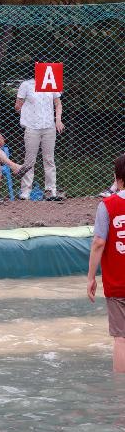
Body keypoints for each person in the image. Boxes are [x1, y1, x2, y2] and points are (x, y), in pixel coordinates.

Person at [86, 153, 125, 372]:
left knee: (121, 338)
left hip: (118, 285)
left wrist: (91, 277)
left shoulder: (107, 205)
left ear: (117, 178)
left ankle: (120, 395)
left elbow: (98, 242)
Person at [15, 77, 64, 200]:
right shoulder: (26, 84)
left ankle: (51, 189)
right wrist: (26, 114)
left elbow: (58, 103)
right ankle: (26, 191)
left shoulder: (51, 83)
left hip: (49, 127)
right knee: (30, 159)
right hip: (32, 127)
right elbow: (17, 106)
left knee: (49, 159)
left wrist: (58, 119)